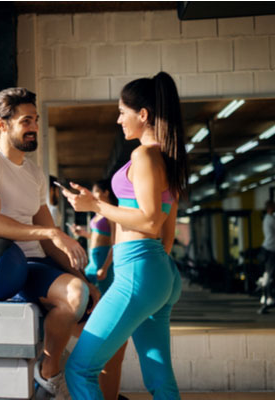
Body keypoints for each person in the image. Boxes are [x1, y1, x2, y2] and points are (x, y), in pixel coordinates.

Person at [0, 87, 98, 399]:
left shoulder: (34, 173)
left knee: (99, 309)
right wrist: (50, 234)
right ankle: (48, 377)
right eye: (26, 121)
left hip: (40, 263)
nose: (34, 127)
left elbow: (50, 241)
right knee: (74, 296)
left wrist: (84, 279)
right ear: (2, 125)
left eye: (35, 120)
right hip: (9, 266)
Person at [61, 71, 187, 399]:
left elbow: (149, 222)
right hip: (159, 273)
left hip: (138, 272)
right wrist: (152, 271)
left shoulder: (144, 155)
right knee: (160, 381)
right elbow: (167, 233)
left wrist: (96, 206)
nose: (119, 120)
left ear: (142, 115)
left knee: (79, 369)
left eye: (122, 112)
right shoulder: (168, 159)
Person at [69, 180, 128, 400]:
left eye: (95, 192)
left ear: (104, 192)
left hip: (103, 262)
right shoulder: (96, 214)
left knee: (103, 308)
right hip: (93, 263)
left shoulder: (111, 213)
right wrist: (82, 233)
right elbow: (95, 238)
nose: (93, 195)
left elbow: (114, 242)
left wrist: (105, 266)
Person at [258, 200, 275, 314]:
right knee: (270, 274)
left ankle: (266, 298)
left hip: (268, 249)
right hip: (271, 250)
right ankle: (268, 298)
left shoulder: (267, 219)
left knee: (268, 274)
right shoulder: (270, 219)